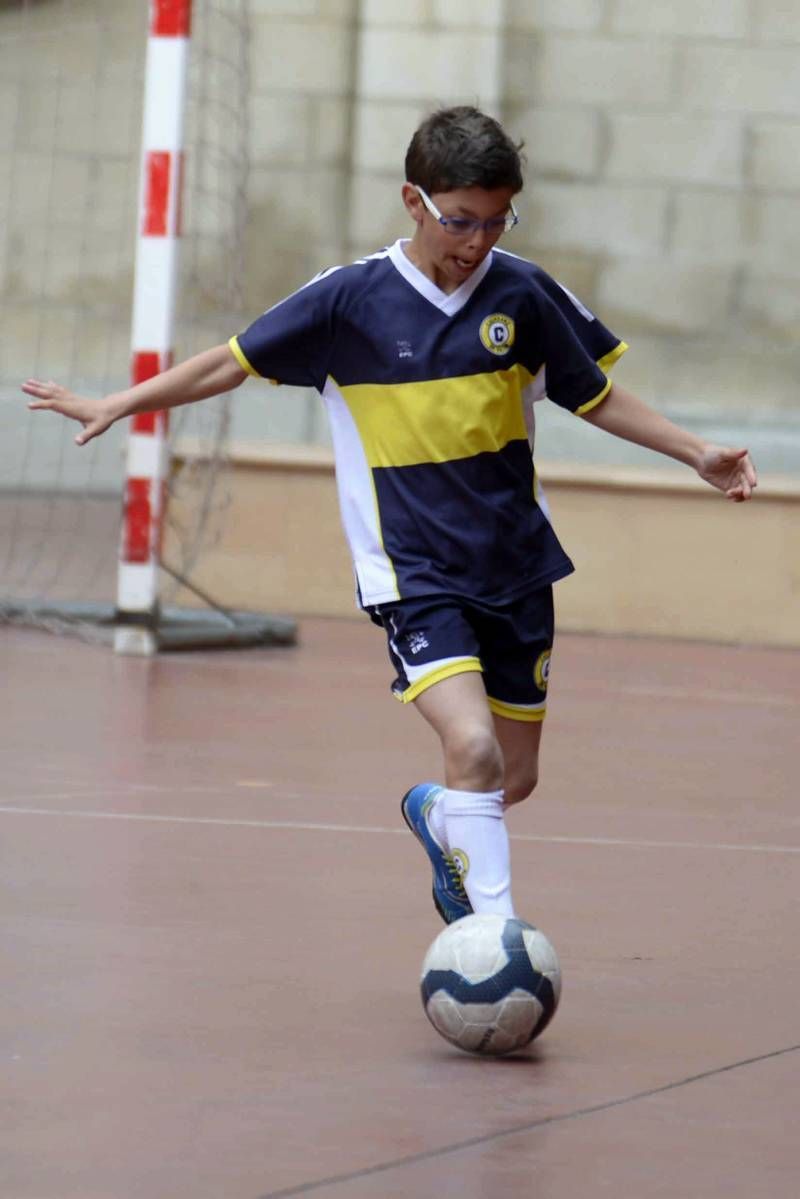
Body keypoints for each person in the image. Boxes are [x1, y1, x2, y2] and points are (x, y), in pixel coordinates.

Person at [23, 106, 757, 927]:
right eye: (458, 220)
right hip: (413, 573)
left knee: (510, 778)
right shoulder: (348, 302)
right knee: (471, 748)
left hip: (515, 564)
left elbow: (595, 394)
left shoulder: (523, 291)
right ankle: (494, 936)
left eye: (495, 219)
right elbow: (227, 365)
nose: (476, 240)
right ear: (414, 200)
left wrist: (695, 452)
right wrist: (119, 403)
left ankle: (438, 814)